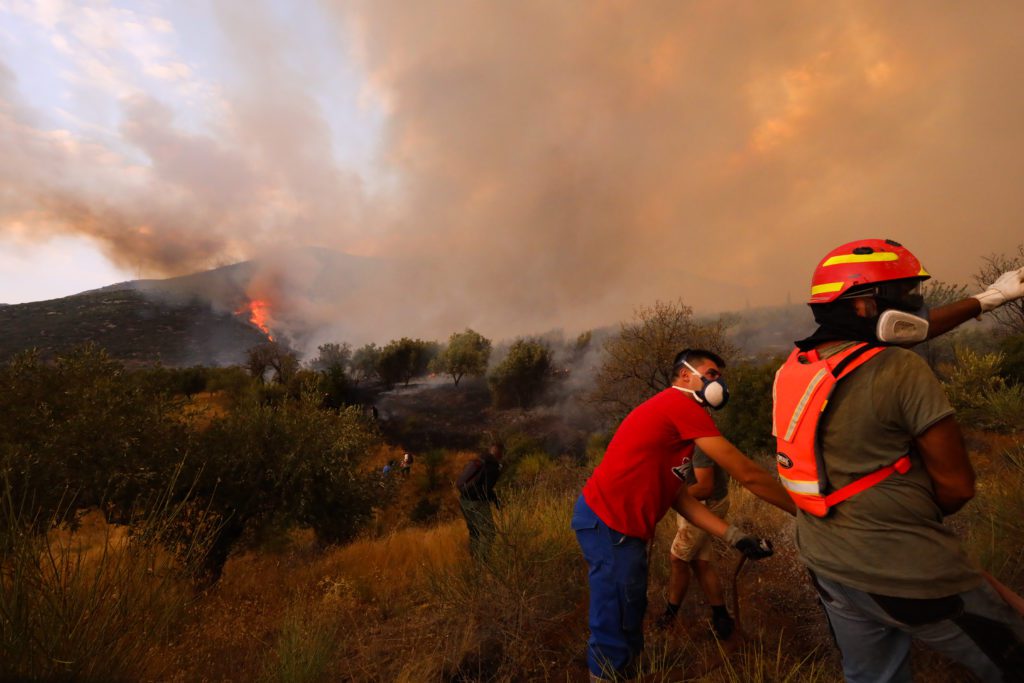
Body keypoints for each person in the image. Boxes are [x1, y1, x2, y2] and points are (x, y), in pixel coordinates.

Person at [773, 238, 1024, 682]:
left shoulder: (797, 366)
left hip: (828, 562)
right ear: (867, 307)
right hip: (905, 569)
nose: (918, 305)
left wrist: (990, 297)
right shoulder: (900, 369)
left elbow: (915, 329)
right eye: (906, 295)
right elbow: (958, 487)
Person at [572, 348, 796, 682]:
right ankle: (606, 675)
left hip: (621, 527)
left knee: (629, 606)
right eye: (711, 374)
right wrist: (802, 510)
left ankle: (625, 672)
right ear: (685, 375)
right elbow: (746, 473)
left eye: (719, 376)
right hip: (609, 523)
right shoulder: (679, 405)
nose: (717, 382)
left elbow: (679, 497)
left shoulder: (676, 421)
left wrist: (735, 536)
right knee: (615, 613)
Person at [654, 445, 734, 639]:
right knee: (700, 562)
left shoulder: (699, 444)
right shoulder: (672, 439)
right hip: (692, 503)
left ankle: (669, 616)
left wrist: (664, 497)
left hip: (707, 505)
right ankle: (722, 618)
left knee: (678, 559)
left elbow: (705, 487)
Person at [456, 443, 503, 560]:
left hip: (463, 500)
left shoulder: (478, 460)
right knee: (489, 533)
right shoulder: (493, 467)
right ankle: (483, 564)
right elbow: (487, 489)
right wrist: (496, 501)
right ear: (500, 454)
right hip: (477, 503)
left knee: (474, 531)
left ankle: (474, 559)